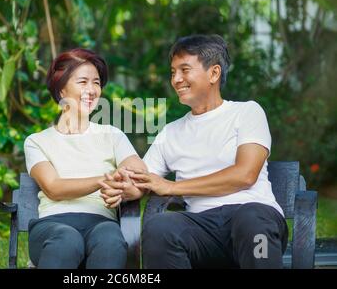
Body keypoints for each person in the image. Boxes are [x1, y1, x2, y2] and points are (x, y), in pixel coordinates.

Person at [100, 35, 288, 269]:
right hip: (202, 229)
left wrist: (172, 187)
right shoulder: (171, 132)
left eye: (185, 70)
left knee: (252, 222)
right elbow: (144, 178)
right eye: (172, 72)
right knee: (159, 228)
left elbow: (245, 175)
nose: (176, 79)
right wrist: (127, 188)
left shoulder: (247, 112)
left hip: (255, 224)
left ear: (214, 73)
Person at [24, 48, 146, 269]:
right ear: (61, 90)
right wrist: (104, 180)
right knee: (66, 241)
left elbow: (139, 175)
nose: (91, 90)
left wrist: (127, 187)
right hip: (53, 224)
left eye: (96, 83)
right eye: (83, 82)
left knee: (110, 240)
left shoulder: (112, 135)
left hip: (101, 222)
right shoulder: (36, 141)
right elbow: (54, 188)